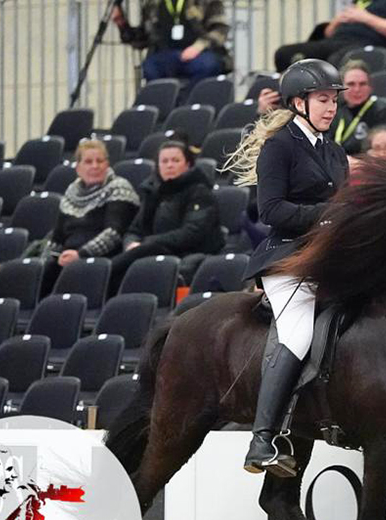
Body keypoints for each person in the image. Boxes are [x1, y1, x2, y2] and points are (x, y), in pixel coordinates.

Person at [224, 59, 349, 476]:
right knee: (296, 334)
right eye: (322, 100)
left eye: (333, 101)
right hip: (289, 258)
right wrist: (327, 216)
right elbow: (271, 210)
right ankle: (261, 439)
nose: (331, 108)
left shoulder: (334, 150)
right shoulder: (280, 145)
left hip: (330, 256)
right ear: (299, 102)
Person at [108, 139, 222, 294]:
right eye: (164, 161)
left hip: (186, 252)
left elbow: (192, 232)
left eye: (175, 160)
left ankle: (100, 277)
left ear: (187, 164)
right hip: (151, 250)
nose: (169, 165)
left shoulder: (199, 191)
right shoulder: (152, 192)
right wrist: (131, 244)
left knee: (126, 263)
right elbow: (134, 230)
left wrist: (147, 243)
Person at [42, 140, 140, 294]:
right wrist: (53, 257)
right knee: (42, 272)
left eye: (100, 161)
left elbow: (114, 233)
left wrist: (81, 254)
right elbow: (57, 237)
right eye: (88, 162)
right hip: (70, 259)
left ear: (107, 164)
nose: (95, 166)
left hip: (102, 260)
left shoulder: (119, 187)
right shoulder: (71, 192)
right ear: (78, 168)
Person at [112, 0, 232, 86]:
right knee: (150, 67)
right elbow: (142, 39)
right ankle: (163, 113)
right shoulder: (153, 4)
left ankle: (191, 108)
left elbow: (220, 29)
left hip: (200, 53)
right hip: (165, 54)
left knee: (207, 65)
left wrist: (198, 47)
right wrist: (121, 24)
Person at [274, 0, 386, 72]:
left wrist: (365, 17)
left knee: (335, 60)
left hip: (365, 46)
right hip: (335, 42)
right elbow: (328, 34)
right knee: (284, 53)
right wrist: (337, 21)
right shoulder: (356, 4)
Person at [331, 60, 386, 156]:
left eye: (362, 84)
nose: (357, 90)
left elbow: (382, 151)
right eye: (351, 84)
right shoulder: (335, 110)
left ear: (370, 87)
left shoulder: (381, 111)